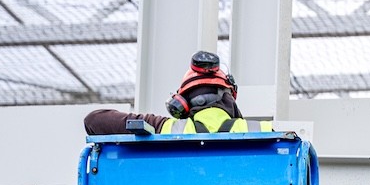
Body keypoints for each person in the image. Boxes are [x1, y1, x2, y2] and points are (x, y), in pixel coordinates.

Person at [83, 52, 275, 136]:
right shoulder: (263, 131)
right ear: (229, 98)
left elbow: (94, 120)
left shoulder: (165, 129)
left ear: (181, 104)